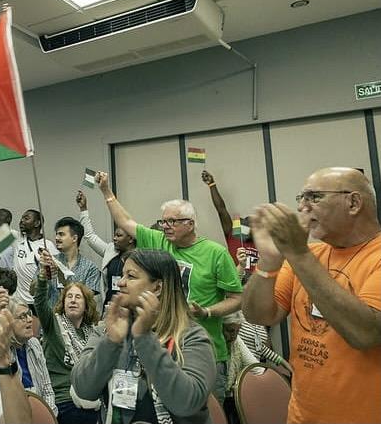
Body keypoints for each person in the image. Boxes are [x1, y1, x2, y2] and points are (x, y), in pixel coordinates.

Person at [242, 167, 381, 424]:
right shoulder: (312, 255)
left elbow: (365, 334)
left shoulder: (374, 255)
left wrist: (297, 253)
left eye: (314, 197)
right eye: (301, 198)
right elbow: (258, 315)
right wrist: (269, 262)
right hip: (301, 416)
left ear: (353, 203)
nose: (302, 207)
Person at [95, 171, 242, 402]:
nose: (166, 226)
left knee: (204, 413)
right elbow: (125, 221)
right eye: (164, 221)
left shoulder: (216, 253)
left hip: (205, 350)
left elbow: (237, 299)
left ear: (190, 224)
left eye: (173, 221)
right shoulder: (159, 241)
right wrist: (106, 191)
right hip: (165, 349)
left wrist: (207, 312)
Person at [71, 249, 216, 424]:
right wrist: (111, 343)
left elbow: (187, 403)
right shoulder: (108, 329)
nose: (121, 282)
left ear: (157, 287)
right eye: (122, 275)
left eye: (131, 276)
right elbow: (83, 389)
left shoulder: (191, 336)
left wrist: (144, 338)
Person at [36, 249, 101, 424]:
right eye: (69, 297)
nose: (72, 300)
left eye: (78, 297)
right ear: (63, 303)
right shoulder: (52, 322)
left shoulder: (93, 332)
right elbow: (40, 301)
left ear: (86, 306)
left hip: (90, 399)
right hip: (63, 399)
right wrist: (43, 275)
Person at [0, 297, 58, 416]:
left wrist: (50, 415)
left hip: (39, 413)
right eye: (22, 316)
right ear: (6, 323)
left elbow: (47, 388)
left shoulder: (34, 344)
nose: (30, 319)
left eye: (29, 314)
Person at [77, 190, 137, 310]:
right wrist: (83, 209)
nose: (114, 238)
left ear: (130, 239)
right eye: (114, 235)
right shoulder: (110, 250)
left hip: (130, 308)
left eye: (119, 236)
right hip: (109, 307)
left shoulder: (140, 257)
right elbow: (90, 237)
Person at [38, 217, 102, 309]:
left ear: (74, 238)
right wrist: (42, 274)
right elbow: (32, 291)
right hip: (51, 316)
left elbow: (88, 298)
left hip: (77, 317)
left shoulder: (90, 268)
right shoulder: (48, 261)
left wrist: (61, 276)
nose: (56, 238)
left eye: (61, 234)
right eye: (56, 234)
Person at [201, 170, 256, 266]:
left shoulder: (262, 243)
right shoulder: (233, 235)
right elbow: (221, 210)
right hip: (236, 274)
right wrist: (212, 185)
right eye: (247, 222)